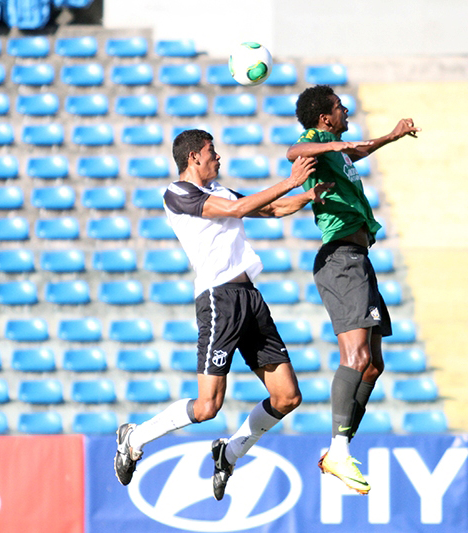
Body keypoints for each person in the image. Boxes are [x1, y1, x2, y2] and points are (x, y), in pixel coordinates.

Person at [114, 129, 332, 501]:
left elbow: (272, 208)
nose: (219, 157)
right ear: (193, 157)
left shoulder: (223, 192)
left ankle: (228, 454)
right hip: (219, 300)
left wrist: (310, 194)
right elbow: (236, 211)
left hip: (250, 298)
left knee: (287, 397)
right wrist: (290, 180)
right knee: (208, 406)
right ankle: (134, 437)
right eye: (212, 152)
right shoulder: (178, 193)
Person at [286, 85, 420, 495]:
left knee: (374, 365)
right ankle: (338, 449)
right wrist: (339, 144)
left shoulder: (335, 149)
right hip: (341, 259)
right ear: (326, 118)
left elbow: (354, 152)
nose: (346, 112)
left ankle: (337, 451)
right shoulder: (314, 142)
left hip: (358, 259)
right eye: (340, 109)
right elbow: (295, 153)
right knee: (356, 355)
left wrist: (389, 137)